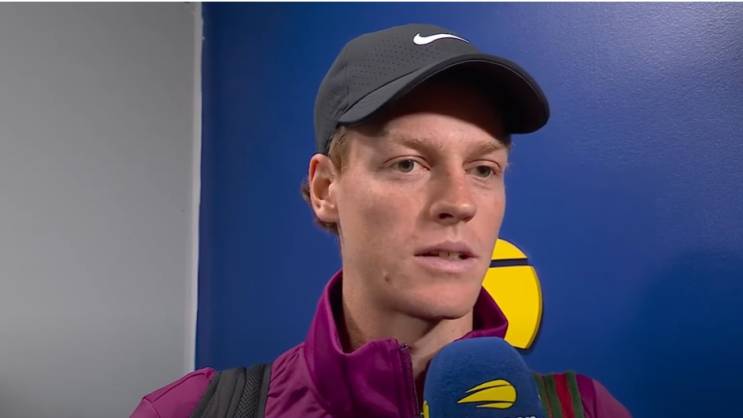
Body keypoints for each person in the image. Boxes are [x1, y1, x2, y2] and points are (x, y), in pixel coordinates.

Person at [131, 23, 631, 418]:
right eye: (408, 164)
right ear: (326, 189)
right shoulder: (189, 411)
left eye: (483, 169)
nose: (459, 203)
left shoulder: (586, 409)